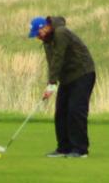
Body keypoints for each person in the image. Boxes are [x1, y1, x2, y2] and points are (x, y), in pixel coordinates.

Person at [29, 15, 95, 158]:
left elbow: (59, 57)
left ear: (45, 27)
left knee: (75, 110)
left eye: (38, 33)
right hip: (67, 78)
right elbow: (52, 64)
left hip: (83, 73)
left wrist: (52, 82)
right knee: (61, 112)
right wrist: (50, 85)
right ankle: (64, 148)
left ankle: (80, 149)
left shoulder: (61, 33)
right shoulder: (47, 42)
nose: (38, 37)